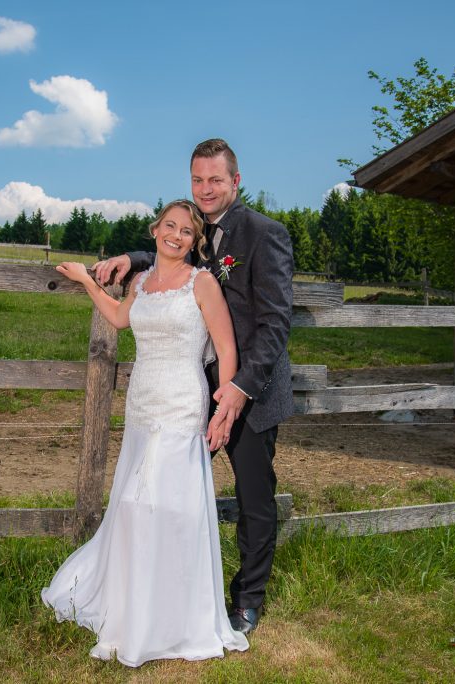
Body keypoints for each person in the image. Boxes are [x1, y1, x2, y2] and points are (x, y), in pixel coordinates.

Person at [93, 139, 295, 635]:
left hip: (250, 389)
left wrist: (241, 389)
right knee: (168, 493)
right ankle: (158, 591)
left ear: (236, 181)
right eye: (197, 180)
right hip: (190, 391)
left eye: (216, 180)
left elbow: (274, 324)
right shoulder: (201, 232)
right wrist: (135, 257)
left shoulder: (265, 234)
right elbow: (177, 251)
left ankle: (247, 599)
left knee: (253, 496)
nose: (205, 189)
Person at [42, 199, 249, 667]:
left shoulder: (203, 283)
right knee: (134, 505)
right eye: (169, 226)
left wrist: (224, 410)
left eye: (187, 231)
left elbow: (226, 347)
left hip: (181, 403)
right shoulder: (141, 281)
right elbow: (119, 319)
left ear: (196, 242)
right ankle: (133, 602)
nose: (176, 235)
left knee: (166, 504)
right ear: (155, 230)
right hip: (142, 403)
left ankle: (172, 615)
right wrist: (85, 280)